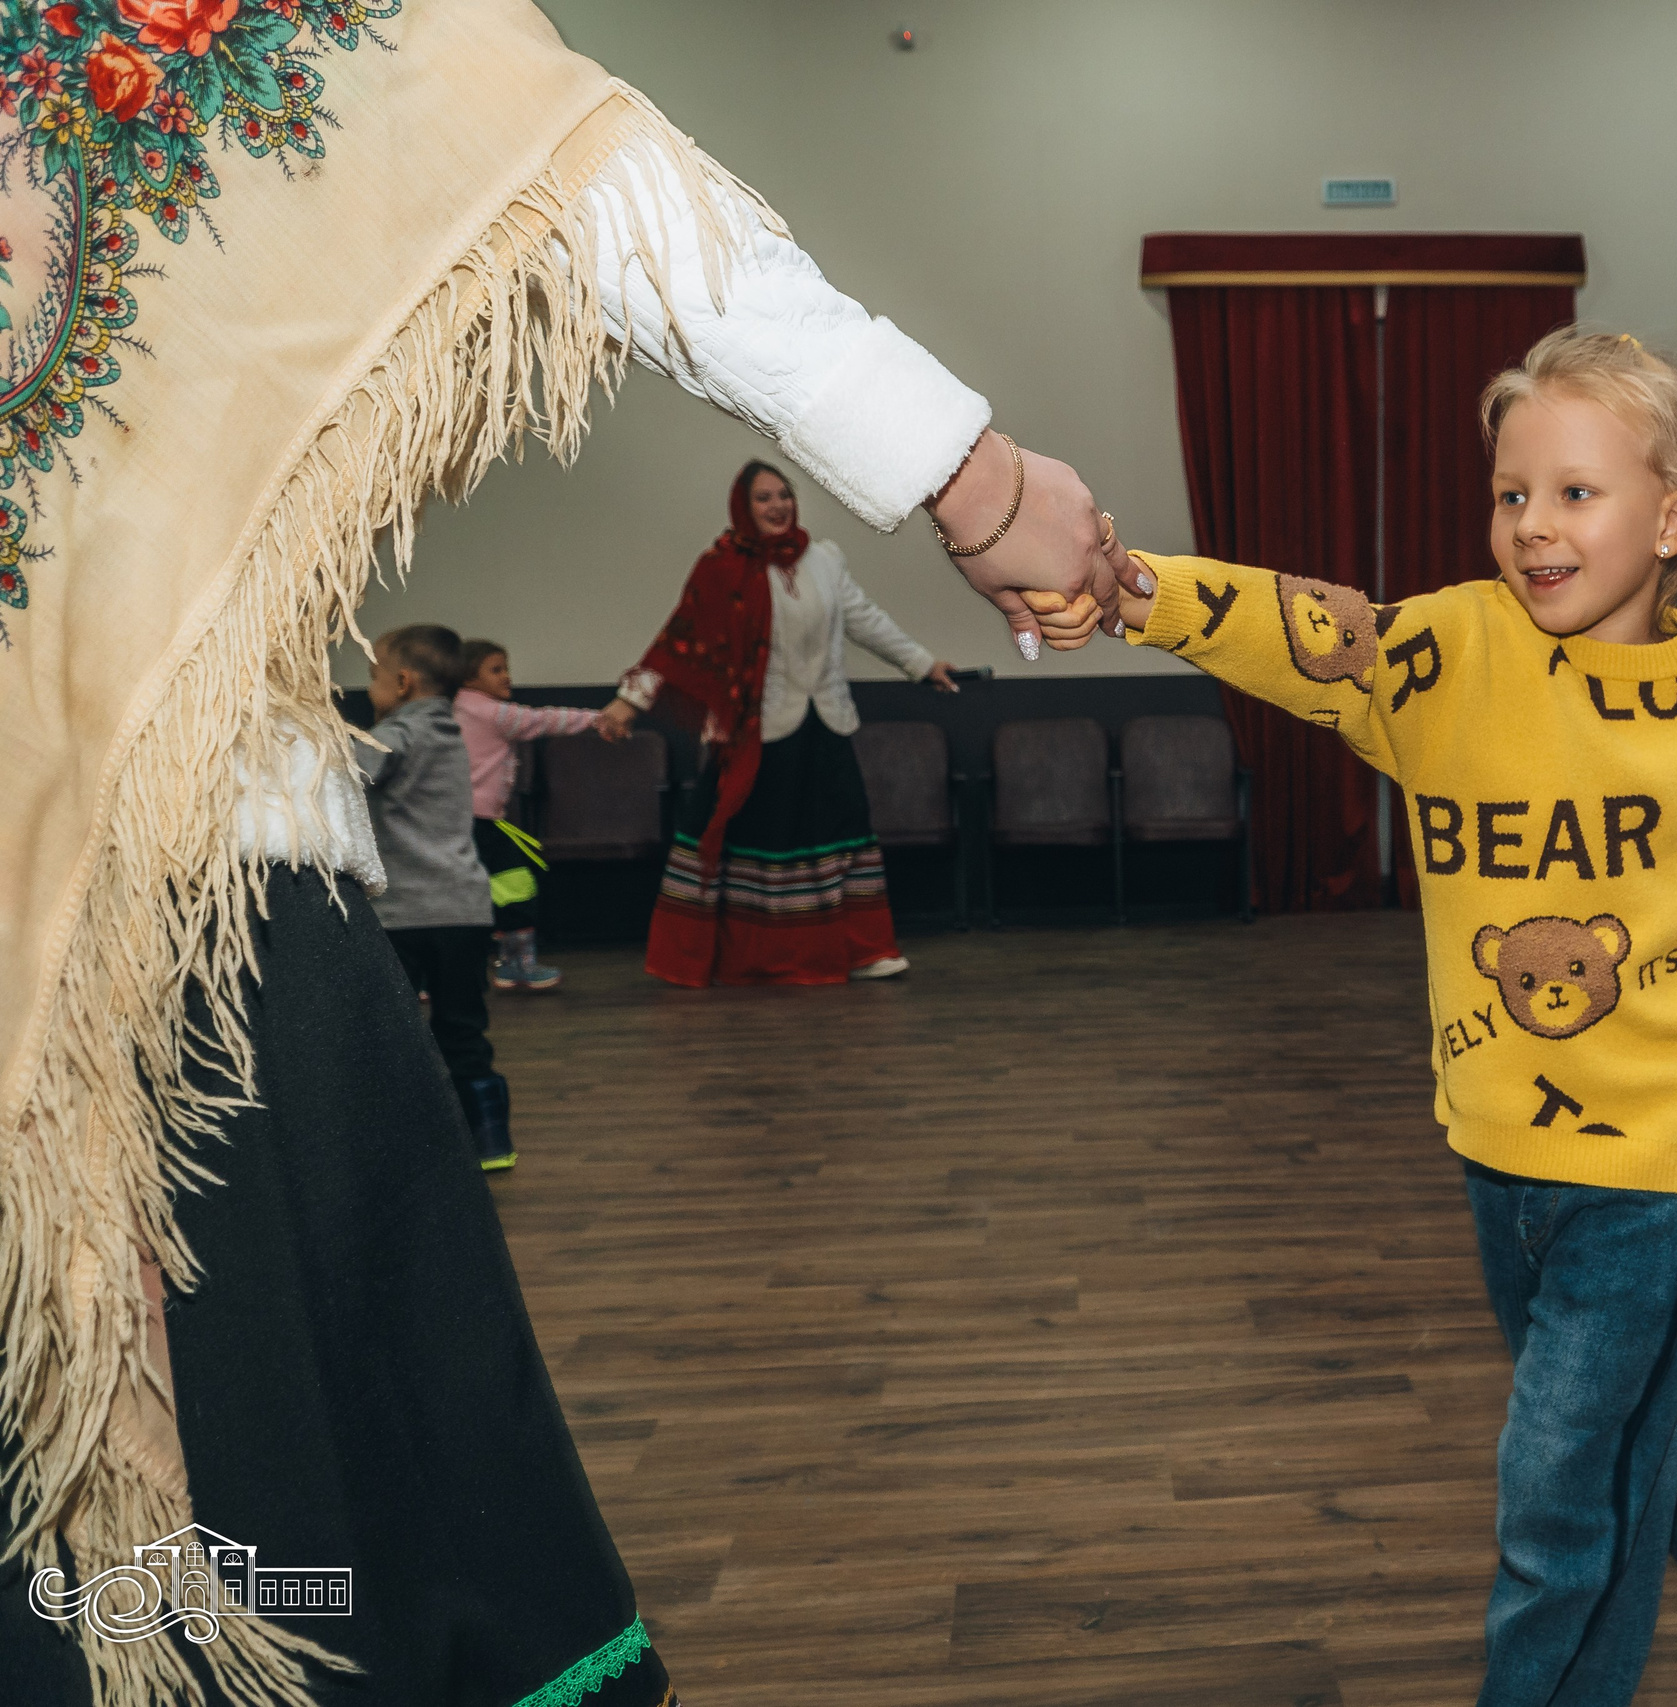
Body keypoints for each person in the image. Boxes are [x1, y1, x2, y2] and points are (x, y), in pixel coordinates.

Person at [0, 5, 1125, 1704]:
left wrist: (942, 534)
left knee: (224, 1555)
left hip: (185, 932)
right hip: (190, 959)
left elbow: (542, 165)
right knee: (257, 1556)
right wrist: (978, 479)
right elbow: (564, 167)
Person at [1093, 329, 1677, 1707]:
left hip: (1654, 1166)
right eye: (1512, 492)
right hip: (1496, 1144)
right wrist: (1134, 589)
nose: (1533, 525)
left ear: (1672, 519)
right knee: (1649, 1417)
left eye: (1575, 493)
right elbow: (1300, 625)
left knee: (1566, 1479)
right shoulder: (1454, 652)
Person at [600, 460, 961, 987]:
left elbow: (864, 619)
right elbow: (679, 641)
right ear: (743, 509)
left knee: (842, 833)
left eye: (784, 495)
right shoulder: (720, 568)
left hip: (828, 722)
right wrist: (629, 702)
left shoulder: (824, 559)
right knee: (763, 841)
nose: (777, 506)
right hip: (757, 733)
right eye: (763, 498)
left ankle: (863, 952)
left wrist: (923, 664)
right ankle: (760, 956)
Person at [359, 625, 519, 1171]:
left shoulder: (398, 733)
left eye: (374, 674)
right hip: (464, 910)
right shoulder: (450, 729)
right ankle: (491, 1138)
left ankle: (405, 1144)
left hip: (404, 913)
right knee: (462, 1027)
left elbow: (352, 774)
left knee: (395, 1034)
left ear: (402, 682)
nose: (370, 686)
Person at [456, 638, 610, 992]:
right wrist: (598, 719)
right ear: (468, 677)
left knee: (487, 890)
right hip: (475, 822)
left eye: (506, 668)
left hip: (473, 821)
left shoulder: (455, 708)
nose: (506, 676)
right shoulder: (492, 713)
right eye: (496, 670)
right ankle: (515, 965)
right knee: (514, 885)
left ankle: (500, 966)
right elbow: (544, 721)